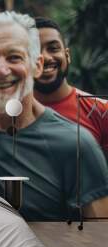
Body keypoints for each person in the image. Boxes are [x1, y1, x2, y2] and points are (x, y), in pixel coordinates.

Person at [0, 11, 108, 221]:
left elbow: (100, 241)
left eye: (14, 57)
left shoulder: (77, 145)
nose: (1, 70)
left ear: (37, 65)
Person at [33, 16, 108, 161]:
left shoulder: (101, 111)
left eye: (53, 48)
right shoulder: (8, 117)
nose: (45, 57)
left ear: (67, 55)